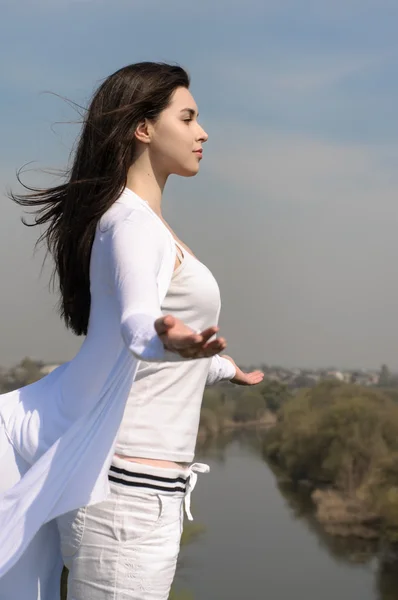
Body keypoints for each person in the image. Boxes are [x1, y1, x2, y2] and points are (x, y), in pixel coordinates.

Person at [0, 62, 264, 600]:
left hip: (128, 494)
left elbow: (133, 343)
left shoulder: (132, 218)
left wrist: (217, 366)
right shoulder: (133, 223)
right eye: (187, 118)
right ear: (143, 129)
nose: (202, 132)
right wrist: (163, 338)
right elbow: (136, 325)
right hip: (127, 504)